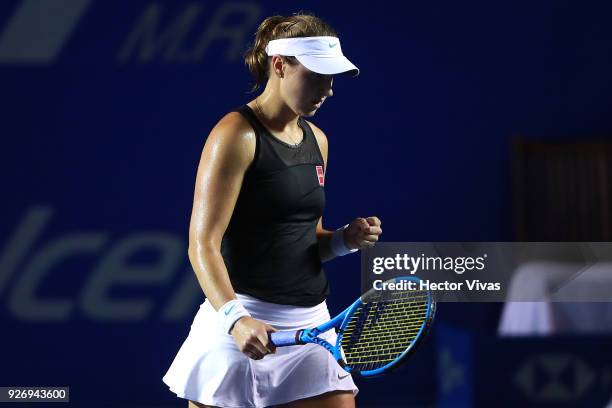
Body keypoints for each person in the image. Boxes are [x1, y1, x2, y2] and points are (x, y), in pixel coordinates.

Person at [163, 12, 382, 408]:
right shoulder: (235, 134)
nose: (328, 90)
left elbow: (305, 242)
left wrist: (344, 241)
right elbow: (202, 245)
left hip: (310, 325)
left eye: (333, 78)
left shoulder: (318, 140)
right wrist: (235, 319)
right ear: (280, 65)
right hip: (240, 322)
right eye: (317, 75)